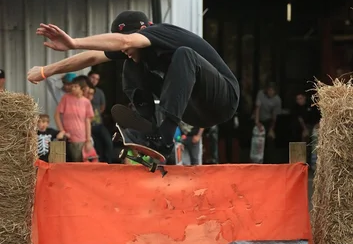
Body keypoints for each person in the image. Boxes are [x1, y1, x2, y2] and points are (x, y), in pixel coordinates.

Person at [27, 11, 240, 160]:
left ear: (141, 32)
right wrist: (47, 70)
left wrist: (74, 42)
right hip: (193, 109)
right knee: (131, 64)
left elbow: (126, 42)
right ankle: (148, 131)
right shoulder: (131, 54)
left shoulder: (161, 32)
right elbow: (92, 57)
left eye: (128, 42)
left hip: (223, 99)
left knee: (185, 55)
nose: (124, 50)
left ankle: (165, 137)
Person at [54, 77, 94, 162]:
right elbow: (57, 115)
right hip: (68, 138)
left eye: (76, 86)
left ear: (82, 88)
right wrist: (62, 130)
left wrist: (88, 140)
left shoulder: (86, 102)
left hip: (81, 139)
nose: (73, 88)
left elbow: (88, 122)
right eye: (72, 86)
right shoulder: (66, 98)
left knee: (81, 165)